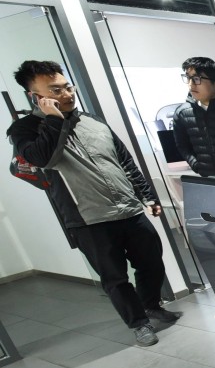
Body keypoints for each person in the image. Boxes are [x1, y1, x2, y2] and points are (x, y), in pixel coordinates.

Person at [7, 60, 180, 347]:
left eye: (67, 86)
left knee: (151, 263)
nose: (66, 94)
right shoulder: (25, 130)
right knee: (115, 277)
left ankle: (150, 305)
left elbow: (123, 160)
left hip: (128, 209)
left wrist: (146, 194)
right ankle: (139, 324)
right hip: (88, 219)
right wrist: (53, 120)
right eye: (56, 90)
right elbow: (42, 158)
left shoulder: (93, 120)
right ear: (35, 97)